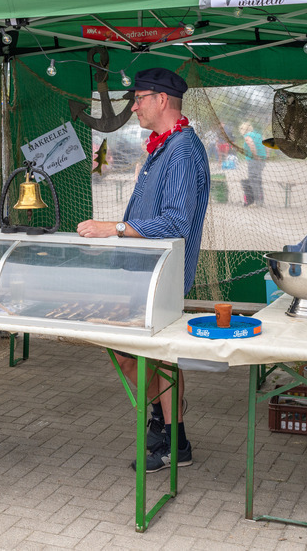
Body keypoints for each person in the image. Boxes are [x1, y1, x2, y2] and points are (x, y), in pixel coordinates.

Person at [76, 67, 210, 473]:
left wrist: (113, 228)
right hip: (143, 270)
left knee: (160, 354)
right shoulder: (164, 146)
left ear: (162, 100)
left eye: (138, 98)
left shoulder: (184, 149)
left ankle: (176, 440)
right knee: (128, 348)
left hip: (163, 273)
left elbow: (175, 222)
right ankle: (160, 418)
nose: (133, 106)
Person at [239, 121, 266, 206]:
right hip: (262, 161)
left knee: (253, 181)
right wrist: (266, 155)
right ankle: (260, 200)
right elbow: (266, 144)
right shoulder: (258, 135)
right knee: (258, 180)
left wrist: (255, 155)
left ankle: (256, 201)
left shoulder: (248, 136)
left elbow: (251, 144)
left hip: (254, 161)